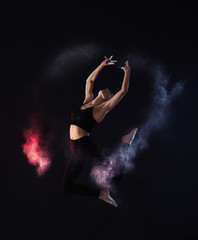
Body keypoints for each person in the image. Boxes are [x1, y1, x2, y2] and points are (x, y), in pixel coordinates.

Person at [62, 56, 137, 207]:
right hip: (75, 150)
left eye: (110, 93)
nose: (108, 90)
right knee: (67, 187)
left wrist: (127, 72)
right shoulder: (87, 100)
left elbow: (123, 91)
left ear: (106, 100)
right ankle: (101, 194)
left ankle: (126, 144)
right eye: (108, 90)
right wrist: (102, 65)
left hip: (84, 146)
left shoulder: (101, 110)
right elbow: (89, 81)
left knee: (115, 176)